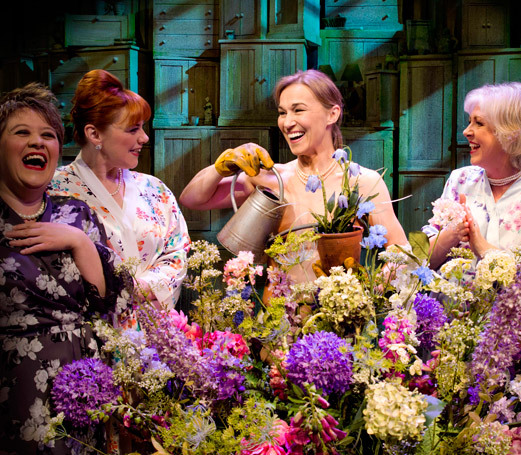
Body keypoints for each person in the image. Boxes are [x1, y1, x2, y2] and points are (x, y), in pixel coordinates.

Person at [180, 69, 407, 282]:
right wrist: (220, 167)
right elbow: (192, 199)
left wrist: (362, 297)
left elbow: (402, 256)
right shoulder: (272, 179)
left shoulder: (361, 183)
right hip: (278, 320)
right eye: (282, 113)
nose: (287, 123)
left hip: (336, 321)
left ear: (332, 114)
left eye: (298, 110)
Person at [0, 83, 129, 453]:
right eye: (21, 133)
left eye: (48, 136)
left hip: (81, 387)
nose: (37, 143)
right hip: (15, 393)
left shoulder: (76, 213)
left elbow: (108, 310)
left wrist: (80, 242)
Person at [49, 69, 190, 310]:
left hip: (157, 326)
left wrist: (142, 290)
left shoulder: (154, 189)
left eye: (143, 128)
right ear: (94, 133)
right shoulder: (55, 189)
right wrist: (120, 295)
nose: (145, 138)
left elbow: (178, 252)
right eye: (133, 129)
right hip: (91, 329)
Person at [422, 82, 521, 268]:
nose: (466, 131)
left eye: (479, 123)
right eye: (469, 121)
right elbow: (423, 264)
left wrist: (483, 248)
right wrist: (451, 234)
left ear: (511, 133)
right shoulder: (460, 180)